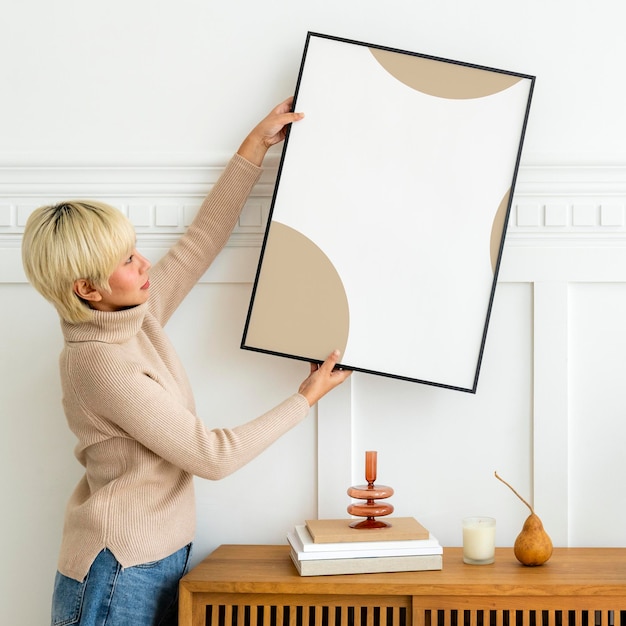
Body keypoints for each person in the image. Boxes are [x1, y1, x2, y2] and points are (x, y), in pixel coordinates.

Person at [21, 98, 352, 626]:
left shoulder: (136, 315)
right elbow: (211, 455)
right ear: (88, 289)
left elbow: (200, 243)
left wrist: (254, 146)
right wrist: (303, 400)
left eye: (135, 248)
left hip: (153, 559)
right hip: (117, 573)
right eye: (126, 261)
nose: (144, 262)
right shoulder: (99, 367)